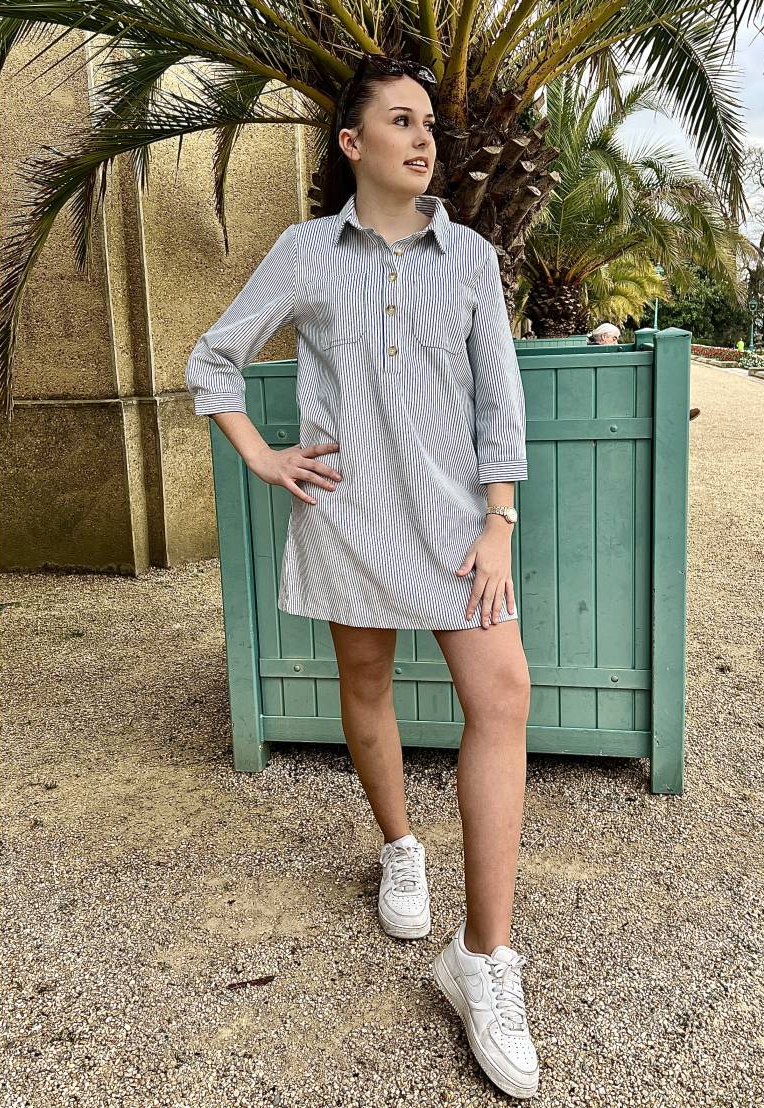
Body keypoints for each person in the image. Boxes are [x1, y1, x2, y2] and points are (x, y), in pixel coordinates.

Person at [185, 52, 539, 1099]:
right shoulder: (306, 252)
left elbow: (499, 403)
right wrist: (265, 456)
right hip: (349, 519)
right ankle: (399, 847)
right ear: (351, 144)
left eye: (429, 123)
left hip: (457, 528)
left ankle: (484, 958)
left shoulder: (469, 256)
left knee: (503, 696)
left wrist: (499, 523)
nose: (424, 138)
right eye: (401, 121)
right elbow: (213, 360)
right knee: (368, 681)